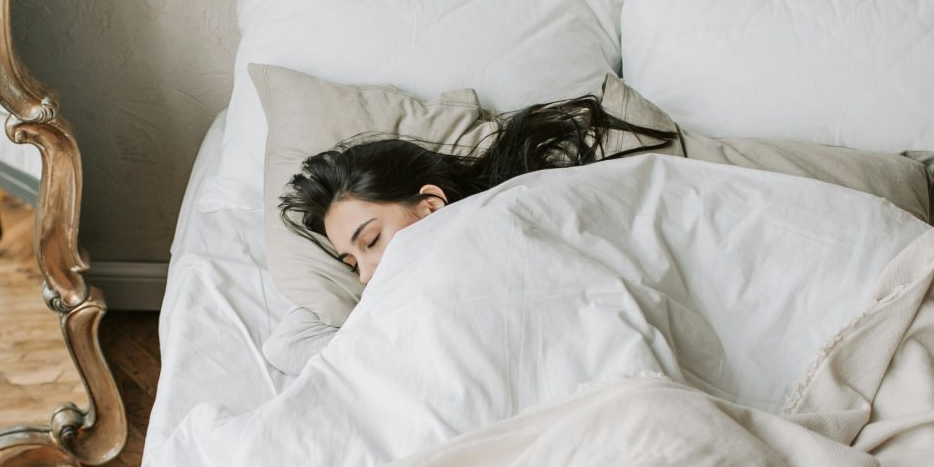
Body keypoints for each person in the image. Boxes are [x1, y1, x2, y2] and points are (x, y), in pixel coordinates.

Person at [279, 94, 678, 284]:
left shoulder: (515, 213)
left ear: (430, 207)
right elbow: (292, 345)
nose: (365, 277)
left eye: (371, 241)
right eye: (352, 265)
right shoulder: (398, 299)